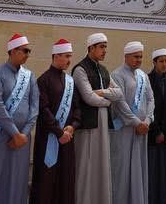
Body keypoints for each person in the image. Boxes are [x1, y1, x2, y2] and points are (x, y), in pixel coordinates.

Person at [0, 33, 39, 204]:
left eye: (29, 51)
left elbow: (34, 107)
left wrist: (24, 134)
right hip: (0, 135)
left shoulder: (29, 76)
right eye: (24, 50)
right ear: (13, 51)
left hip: (22, 139)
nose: (27, 54)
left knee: (17, 178)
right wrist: (14, 133)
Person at [72, 33, 123, 204]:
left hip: (103, 124)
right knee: (86, 166)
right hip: (88, 126)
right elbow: (88, 98)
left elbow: (119, 93)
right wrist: (108, 102)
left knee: (101, 165)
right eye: (101, 47)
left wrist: (101, 92)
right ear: (91, 48)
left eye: (105, 47)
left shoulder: (104, 70)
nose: (105, 50)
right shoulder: (80, 69)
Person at [30, 39, 80, 204]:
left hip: (66, 140)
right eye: (66, 56)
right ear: (56, 56)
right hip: (48, 139)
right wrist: (59, 132)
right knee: (46, 182)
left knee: (65, 180)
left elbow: (77, 108)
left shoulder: (70, 82)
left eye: (70, 56)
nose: (69, 60)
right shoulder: (43, 80)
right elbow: (43, 110)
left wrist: (72, 127)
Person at [110, 41, 154, 204]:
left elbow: (151, 99)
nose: (139, 60)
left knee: (139, 168)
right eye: (136, 57)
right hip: (124, 130)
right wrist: (137, 123)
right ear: (126, 56)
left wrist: (147, 121)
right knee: (122, 170)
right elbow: (120, 104)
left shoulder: (143, 76)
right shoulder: (116, 75)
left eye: (141, 57)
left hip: (142, 130)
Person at [146, 49, 166, 204]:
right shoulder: (147, 80)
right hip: (153, 135)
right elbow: (148, 109)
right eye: (161, 61)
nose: (164, 64)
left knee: (164, 172)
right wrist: (156, 131)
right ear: (154, 62)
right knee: (153, 171)